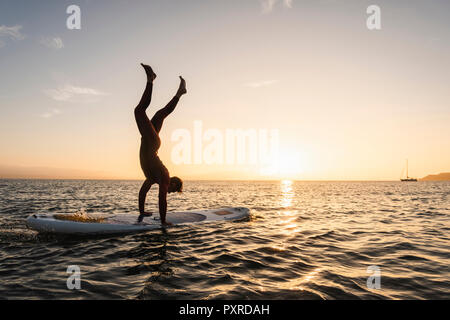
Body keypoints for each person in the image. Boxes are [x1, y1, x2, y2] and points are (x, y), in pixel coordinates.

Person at [134, 63, 186, 225]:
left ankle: (179, 93)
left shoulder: (153, 177)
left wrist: (142, 212)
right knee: (139, 111)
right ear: (173, 183)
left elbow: (143, 192)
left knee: (159, 114)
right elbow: (161, 198)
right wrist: (163, 222)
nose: (169, 192)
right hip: (151, 144)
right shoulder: (164, 176)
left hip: (150, 143)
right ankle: (151, 80)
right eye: (173, 190)